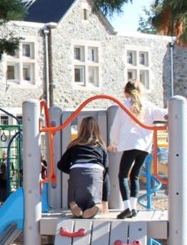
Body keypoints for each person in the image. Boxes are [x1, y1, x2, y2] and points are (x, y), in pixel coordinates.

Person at [108, 80, 166, 219]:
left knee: (122, 175)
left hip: (130, 144)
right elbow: (163, 113)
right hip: (144, 147)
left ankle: (127, 207)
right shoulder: (148, 105)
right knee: (134, 175)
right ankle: (133, 208)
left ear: (125, 92)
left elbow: (116, 127)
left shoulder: (124, 106)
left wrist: (113, 142)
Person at [57, 117, 109, 219]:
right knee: (94, 197)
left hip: (77, 170)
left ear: (81, 129)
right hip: (95, 170)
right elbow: (106, 175)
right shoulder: (101, 147)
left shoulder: (74, 145)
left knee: (74, 195)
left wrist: (71, 171)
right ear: (97, 129)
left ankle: (73, 204)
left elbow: (61, 165)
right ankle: (97, 205)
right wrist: (105, 203)